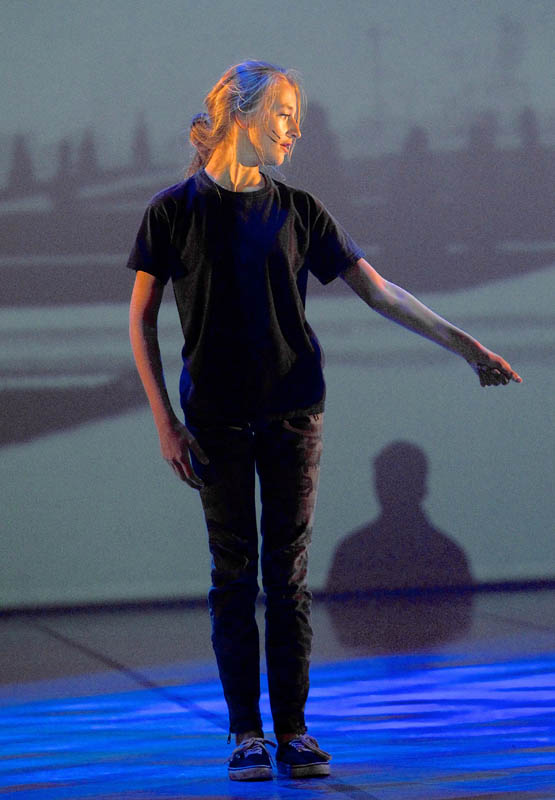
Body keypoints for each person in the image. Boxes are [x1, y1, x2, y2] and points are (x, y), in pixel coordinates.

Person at [127, 60, 521, 782]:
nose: (294, 130)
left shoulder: (299, 210)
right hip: (214, 420)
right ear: (242, 114)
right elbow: (142, 320)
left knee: (287, 578)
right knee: (233, 577)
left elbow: (380, 291)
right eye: (283, 114)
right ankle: (245, 735)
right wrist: (163, 420)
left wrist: (467, 347)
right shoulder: (173, 210)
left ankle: (294, 731)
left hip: (292, 415)